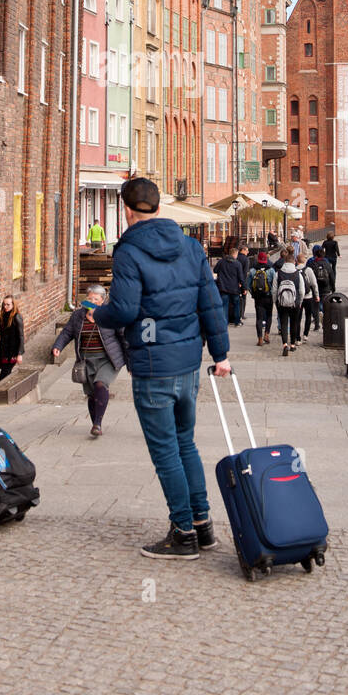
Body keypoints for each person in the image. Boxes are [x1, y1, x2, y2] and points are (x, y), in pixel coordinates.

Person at [93, 176, 230, 560]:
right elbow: (210, 304)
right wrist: (220, 355)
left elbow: (123, 309)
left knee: (165, 450)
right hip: (188, 363)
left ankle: (182, 532)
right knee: (186, 443)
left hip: (154, 365)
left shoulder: (129, 251)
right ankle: (203, 526)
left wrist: (96, 313)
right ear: (159, 206)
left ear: (126, 209)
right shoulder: (190, 247)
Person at [52, 285, 126, 436]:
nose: (92, 301)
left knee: (100, 384)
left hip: (108, 359)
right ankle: (95, 424)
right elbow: (67, 332)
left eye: (95, 299)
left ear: (102, 301)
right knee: (92, 395)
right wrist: (58, 346)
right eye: (89, 298)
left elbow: (124, 337)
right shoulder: (78, 315)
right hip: (86, 360)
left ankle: (98, 423)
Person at [274, 246, 304, 356]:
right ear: (294, 262)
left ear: (284, 261)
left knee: (283, 323)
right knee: (294, 323)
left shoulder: (278, 273)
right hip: (294, 302)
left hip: (281, 302)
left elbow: (274, 289)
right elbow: (301, 290)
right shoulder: (298, 274)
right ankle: (292, 345)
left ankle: (285, 344)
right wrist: (300, 302)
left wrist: (276, 302)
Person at [214, 244, 247, 326]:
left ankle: (225, 322)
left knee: (224, 305)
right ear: (235, 254)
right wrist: (244, 288)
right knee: (236, 305)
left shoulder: (221, 262)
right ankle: (237, 321)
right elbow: (241, 277)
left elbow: (215, 270)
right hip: (234, 288)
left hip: (223, 287)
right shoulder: (237, 264)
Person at [0, 295, 24, 380]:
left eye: (8, 304)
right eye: (4, 304)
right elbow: (9, 331)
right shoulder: (4, 315)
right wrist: (0, 331)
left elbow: (21, 336)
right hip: (4, 350)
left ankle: (3, 392)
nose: (5, 306)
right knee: (5, 374)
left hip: (12, 352)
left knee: (3, 376)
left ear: (13, 305)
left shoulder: (17, 317)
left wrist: (19, 354)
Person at [248, 251, 276, 345]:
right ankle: (266, 334)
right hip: (268, 297)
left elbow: (249, 284)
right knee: (269, 316)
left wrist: (253, 293)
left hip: (258, 298)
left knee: (259, 318)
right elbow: (275, 284)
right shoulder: (271, 270)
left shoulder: (253, 270)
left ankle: (259, 338)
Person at [297, 252, 321, 340]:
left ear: (296, 260)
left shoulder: (294, 270)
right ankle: (305, 334)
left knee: (297, 318)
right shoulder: (308, 270)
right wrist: (317, 295)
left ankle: (297, 337)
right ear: (304, 261)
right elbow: (314, 284)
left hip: (298, 297)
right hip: (308, 296)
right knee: (308, 316)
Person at [307, 244, 332, 324]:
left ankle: (316, 318)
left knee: (315, 303)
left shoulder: (311, 261)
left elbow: (307, 273)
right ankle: (322, 312)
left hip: (315, 285)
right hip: (325, 286)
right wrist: (332, 286)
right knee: (323, 301)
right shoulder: (326, 261)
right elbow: (331, 274)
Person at [236, 244, 251, 322]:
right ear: (243, 250)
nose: (248, 252)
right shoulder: (246, 259)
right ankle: (241, 314)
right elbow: (245, 273)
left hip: (234, 281)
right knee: (243, 298)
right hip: (242, 281)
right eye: (247, 250)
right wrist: (243, 283)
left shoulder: (236, 257)